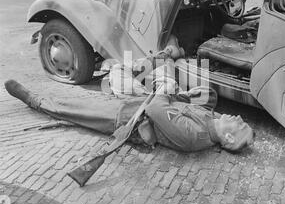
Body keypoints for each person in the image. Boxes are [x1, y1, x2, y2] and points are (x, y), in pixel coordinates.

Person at [4, 76, 254, 153]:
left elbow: (157, 109)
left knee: (74, 111)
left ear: (229, 140)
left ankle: (35, 101)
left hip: (126, 119)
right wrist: (187, 94)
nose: (240, 119)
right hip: (136, 104)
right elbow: (207, 100)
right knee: (88, 99)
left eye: (240, 126)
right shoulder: (213, 122)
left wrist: (166, 91)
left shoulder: (195, 136)